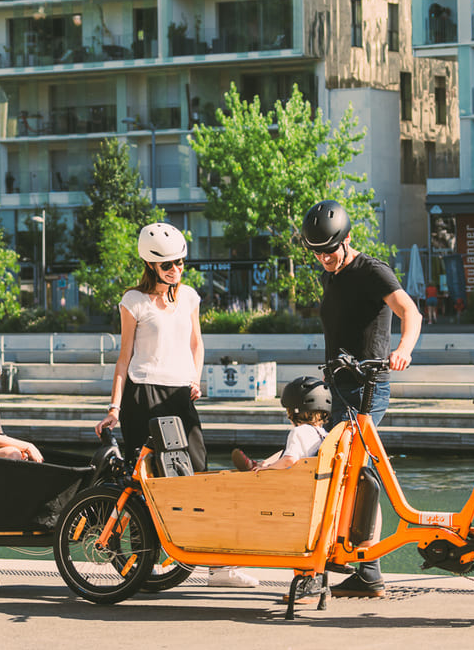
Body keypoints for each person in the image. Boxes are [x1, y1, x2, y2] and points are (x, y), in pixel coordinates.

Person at [94, 222, 257, 588]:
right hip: (142, 395)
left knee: (198, 477)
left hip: (180, 396)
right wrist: (114, 408)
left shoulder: (190, 298)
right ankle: (143, 562)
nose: (175, 270)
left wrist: (195, 379)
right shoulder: (133, 301)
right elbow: (124, 358)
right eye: (167, 265)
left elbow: (197, 344)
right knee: (146, 483)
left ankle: (218, 568)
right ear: (151, 265)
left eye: (180, 262)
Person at [301, 199, 422, 598]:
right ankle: (364, 569)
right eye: (317, 253)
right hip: (339, 389)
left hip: (367, 389)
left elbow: (411, 312)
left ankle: (338, 568)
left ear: (348, 239)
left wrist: (403, 349)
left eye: (330, 251)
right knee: (349, 473)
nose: (324, 259)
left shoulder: (373, 271)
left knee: (347, 473)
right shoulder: (331, 276)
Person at [232, 376, 330, 472]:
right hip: (316, 476)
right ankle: (259, 464)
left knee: (274, 466)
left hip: (296, 479)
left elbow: (288, 460)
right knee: (286, 451)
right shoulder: (324, 434)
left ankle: (257, 466)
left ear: (294, 411)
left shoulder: (299, 432)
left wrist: (269, 468)